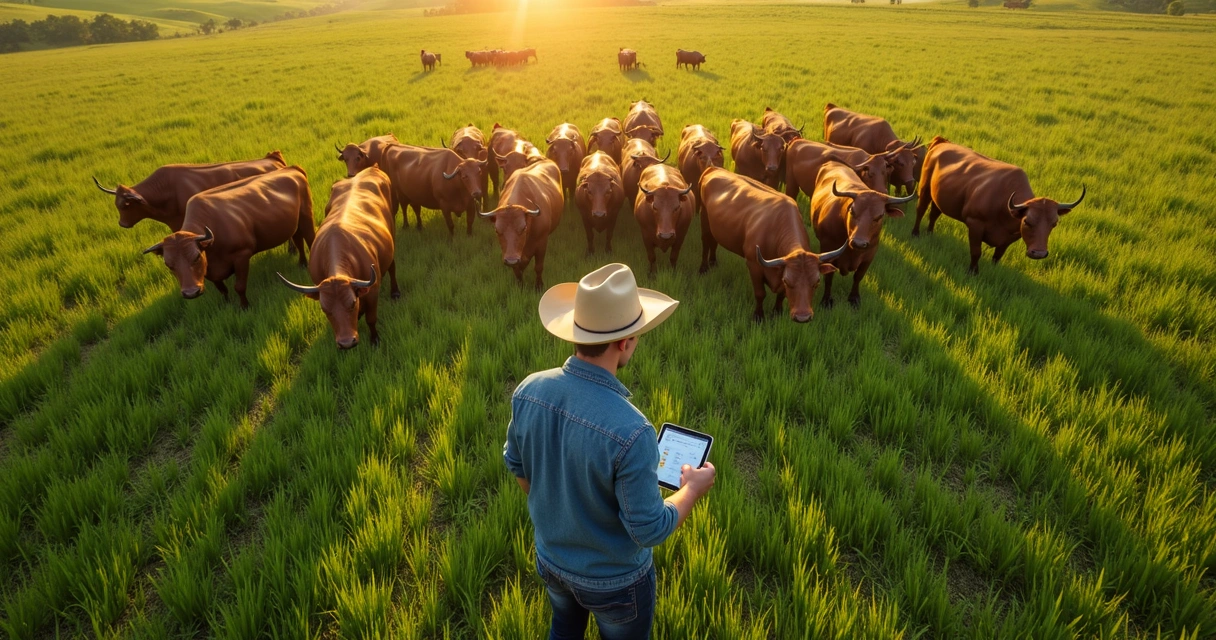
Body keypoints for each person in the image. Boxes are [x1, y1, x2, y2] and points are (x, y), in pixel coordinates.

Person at [503, 263, 717, 640]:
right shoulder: (633, 431)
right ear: (625, 342)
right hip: (616, 584)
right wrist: (693, 489)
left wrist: (565, 514)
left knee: (563, 629)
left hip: (551, 560)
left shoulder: (528, 390)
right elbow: (649, 529)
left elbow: (519, 469)